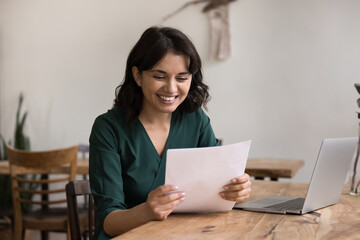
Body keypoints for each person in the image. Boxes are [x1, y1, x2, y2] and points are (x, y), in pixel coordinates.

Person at [89, 26, 251, 239]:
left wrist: (236, 191)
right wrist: (147, 211)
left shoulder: (196, 120)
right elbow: (109, 222)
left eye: (182, 78)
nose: (171, 88)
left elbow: (217, 188)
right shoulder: (108, 128)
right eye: (159, 76)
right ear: (137, 75)